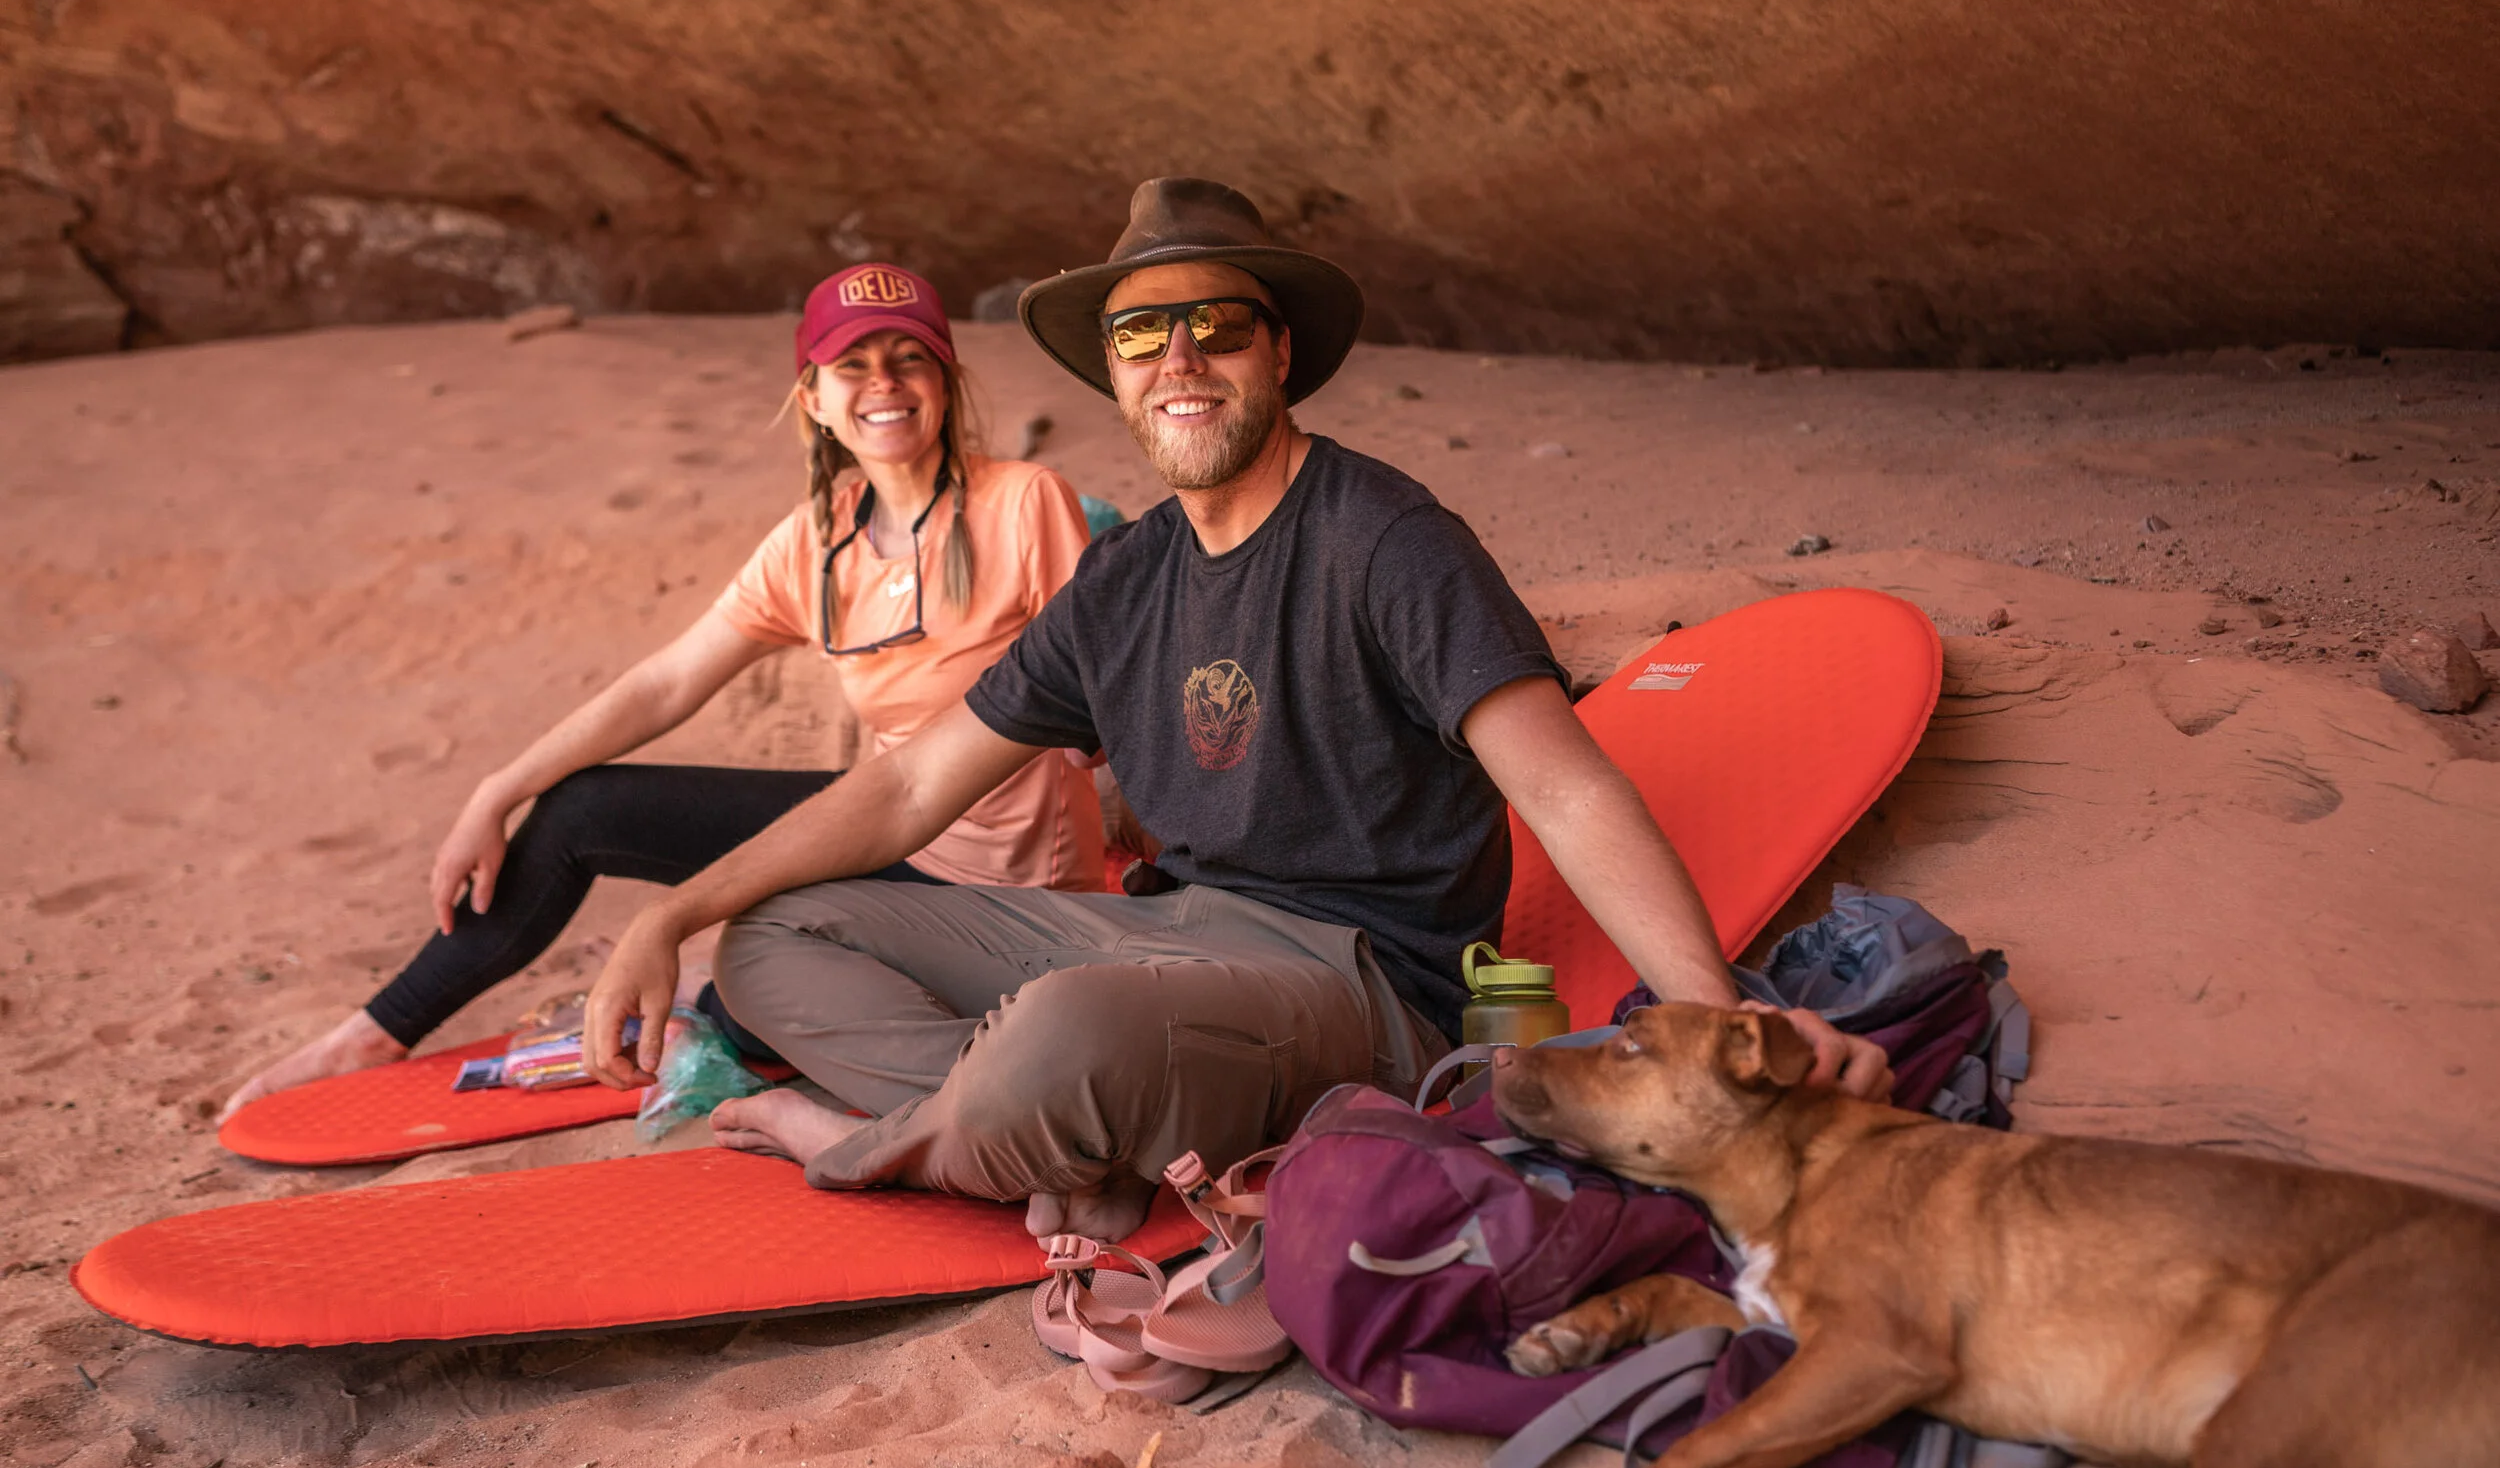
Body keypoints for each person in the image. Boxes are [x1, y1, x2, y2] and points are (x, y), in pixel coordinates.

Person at [579, 178, 1888, 1239]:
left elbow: (1565, 783)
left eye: (1217, 323)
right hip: (1163, 947)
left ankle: (872, 1146)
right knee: (767, 939)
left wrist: (1715, 1013)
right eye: (1143, 334)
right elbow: (914, 786)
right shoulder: (1127, 574)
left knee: (1071, 1028)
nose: (1180, 358)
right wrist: (674, 911)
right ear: (1115, 369)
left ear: (1280, 353)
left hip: (1360, 987)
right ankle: (1052, 1131)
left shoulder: (1385, 539)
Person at [221, 263, 1103, 1121]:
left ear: (944, 380)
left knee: (753, 985)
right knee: (581, 810)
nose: (885, 383)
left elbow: (1099, 686)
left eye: (909, 358)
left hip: (993, 885)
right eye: (854, 365)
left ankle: (700, 1008)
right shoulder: (818, 537)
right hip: (875, 828)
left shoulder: (1024, 501)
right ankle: (376, 1032)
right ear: (815, 399)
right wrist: (496, 790)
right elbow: (670, 680)